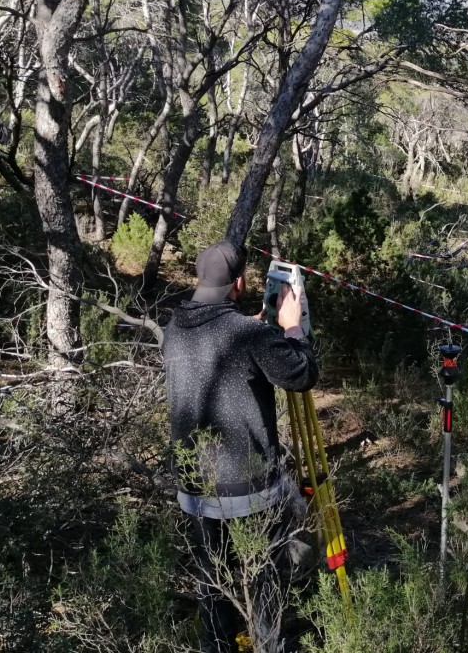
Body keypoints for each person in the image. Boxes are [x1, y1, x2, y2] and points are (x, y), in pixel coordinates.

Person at [163, 240, 318, 653]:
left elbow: (219, 343)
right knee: (262, 577)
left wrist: (252, 329)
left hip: (194, 487)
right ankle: (269, 644)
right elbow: (300, 374)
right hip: (247, 489)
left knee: (212, 580)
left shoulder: (174, 328)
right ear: (239, 282)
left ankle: (218, 645)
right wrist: (291, 328)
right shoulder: (249, 335)